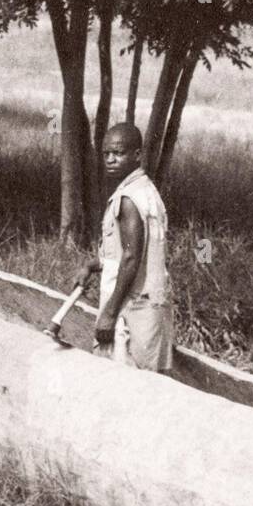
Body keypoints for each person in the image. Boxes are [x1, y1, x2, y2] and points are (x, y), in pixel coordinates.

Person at [73, 123, 173, 372]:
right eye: (106, 154)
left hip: (132, 308)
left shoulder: (128, 200)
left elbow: (131, 257)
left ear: (137, 155)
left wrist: (108, 313)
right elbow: (128, 253)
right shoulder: (148, 192)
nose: (110, 160)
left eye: (118, 153)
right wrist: (91, 264)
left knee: (122, 383)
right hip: (151, 304)